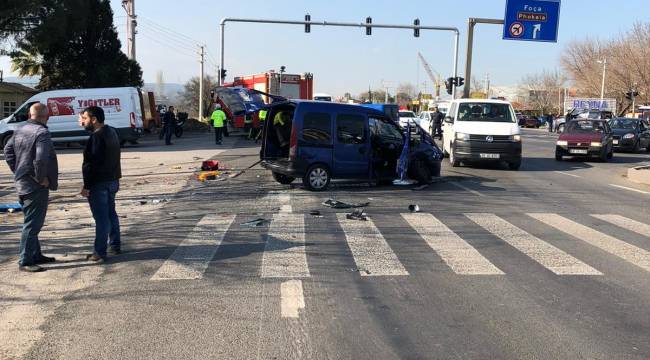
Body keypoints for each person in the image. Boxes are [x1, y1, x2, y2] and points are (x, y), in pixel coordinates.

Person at [4, 103, 59, 272]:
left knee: (31, 220)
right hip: (35, 186)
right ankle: (25, 261)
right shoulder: (42, 132)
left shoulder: (20, 129)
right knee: (32, 224)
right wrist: (41, 178)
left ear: (29, 114)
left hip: (22, 183)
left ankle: (36, 254)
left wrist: (18, 171)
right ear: (46, 116)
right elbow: (41, 159)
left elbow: (7, 151)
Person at [79, 106, 122, 263]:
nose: (82, 122)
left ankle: (99, 252)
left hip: (100, 183)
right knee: (111, 214)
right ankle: (115, 244)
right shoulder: (112, 132)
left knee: (102, 218)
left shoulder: (96, 137)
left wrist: (87, 186)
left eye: (84, 118)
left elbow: (91, 164)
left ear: (94, 119)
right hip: (112, 180)